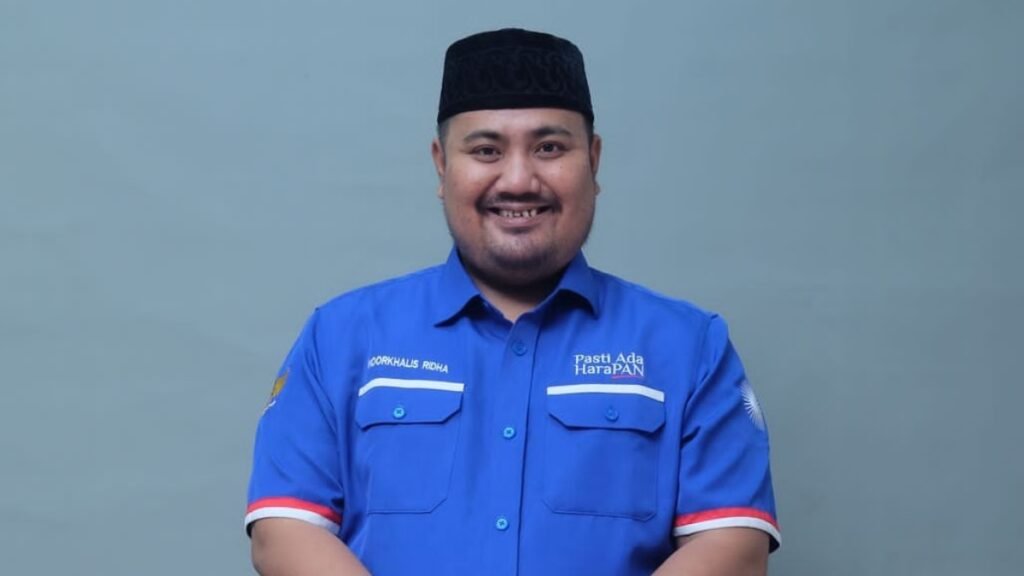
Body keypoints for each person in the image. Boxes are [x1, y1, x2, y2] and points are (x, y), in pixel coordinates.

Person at [245, 28, 780, 576]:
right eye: (486, 151)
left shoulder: (689, 347)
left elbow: (732, 546)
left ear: (594, 161)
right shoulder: (341, 336)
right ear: (441, 165)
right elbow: (284, 531)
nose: (519, 180)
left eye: (549, 148)